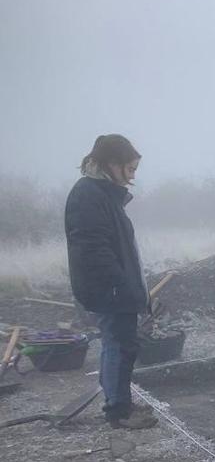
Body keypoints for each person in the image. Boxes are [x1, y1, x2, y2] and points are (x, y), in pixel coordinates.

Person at [64, 134, 156, 430]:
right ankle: (119, 411)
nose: (131, 177)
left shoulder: (100, 194)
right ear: (111, 164)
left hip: (114, 286)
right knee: (119, 344)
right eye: (129, 169)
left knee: (117, 343)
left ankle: (119, 402)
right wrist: (122, 285)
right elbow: (94, 249)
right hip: (110, 288)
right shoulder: (89, 195)